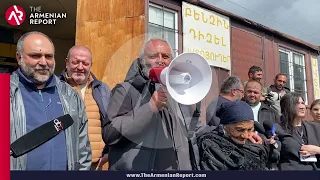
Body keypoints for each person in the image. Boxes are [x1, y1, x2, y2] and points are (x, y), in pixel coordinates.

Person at [102, 38, 205, 170]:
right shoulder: (125, 90)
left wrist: (223, 131)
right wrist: (150, 108)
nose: (160, 60)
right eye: (153, 56)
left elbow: (192, 132)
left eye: (165, 56)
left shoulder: (177, 94)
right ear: (142, 61)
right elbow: (110, 134)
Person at [10, 31, 92, 170]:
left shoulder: (71, 96)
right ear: (19, 57)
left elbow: (82, 149)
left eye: (49, 56)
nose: (43, 62)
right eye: (35, 56)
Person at [60, 45, 111, 170]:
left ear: (91, 65)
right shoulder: (55, 88)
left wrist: (108, 152)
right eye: (75, 62)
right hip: (64, 164)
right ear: (67, 63)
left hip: (96, 165)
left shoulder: (102, 89)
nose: (80, 67)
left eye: (85, 63)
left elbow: (112, 124)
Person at [198, 101, 269, 170]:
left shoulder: (252, 144)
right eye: (240, 130)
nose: (246, 135)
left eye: (250, 129)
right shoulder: (212, 145)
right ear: (225, 127)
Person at [277, 92, 320, 170]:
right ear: (287, 106)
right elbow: (273, 157)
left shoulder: (316, 127)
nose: (302, 107)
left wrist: (317, 150)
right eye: (297, 103)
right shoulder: (278, 128)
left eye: (303, 103)